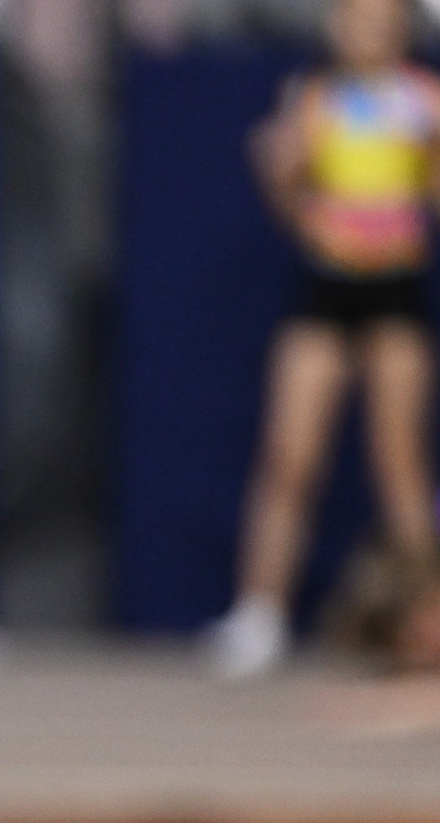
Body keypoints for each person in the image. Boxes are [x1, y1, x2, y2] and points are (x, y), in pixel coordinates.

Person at [217, 0, 440, 680]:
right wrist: (283, 173)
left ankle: (427, 614)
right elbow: (288, 193)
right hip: (323, 291)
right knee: (289, 452)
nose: (368, 30)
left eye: (382, 19)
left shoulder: (423, 100)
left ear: (401, 29)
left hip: (395, 293)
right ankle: (259, 613)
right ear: (337, 26)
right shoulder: (314, 99)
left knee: (399, 461)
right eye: (356, 17)